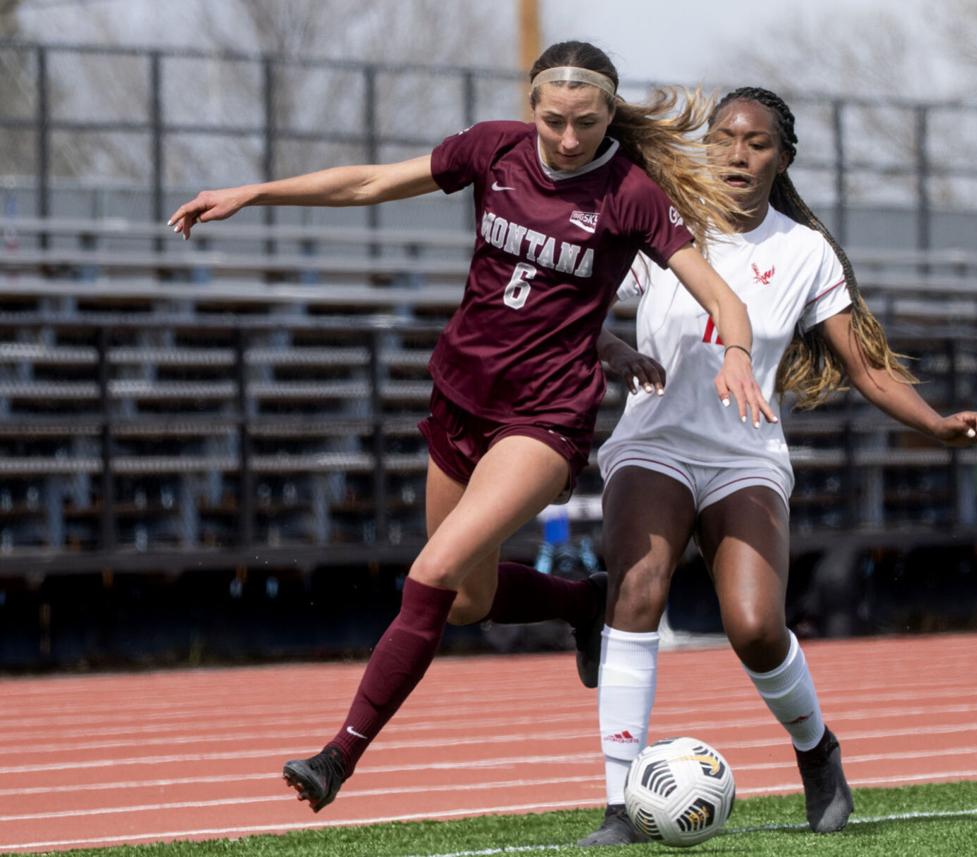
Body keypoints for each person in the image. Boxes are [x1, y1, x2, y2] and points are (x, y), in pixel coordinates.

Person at [168, 42, 776, 813]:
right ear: (530, 108)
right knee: (466, 601)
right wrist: (255, 192)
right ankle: (583, 604)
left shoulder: (629, 192)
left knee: (430, 572)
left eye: (585, 123)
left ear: (607, 115)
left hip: (543, 418)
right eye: (552, 120)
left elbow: (724, 298)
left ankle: (338, 756)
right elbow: (370, 180)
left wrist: (738, 355)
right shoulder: (494, 149)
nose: (566, 137)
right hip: (460, 400)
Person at [578, 87, 977, 845]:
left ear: (783, 157)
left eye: (758, 142)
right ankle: (618, 805)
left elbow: (865, 368)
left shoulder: (805, 250)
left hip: (746, 455)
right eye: (726, 138)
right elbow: (584, 314)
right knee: (636, 589)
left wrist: (937, 423)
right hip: (654, 444)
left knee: (754, 626)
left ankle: (818, 751)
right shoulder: (662, 222)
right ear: (707, 145)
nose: (739, 154)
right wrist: (616, 350)